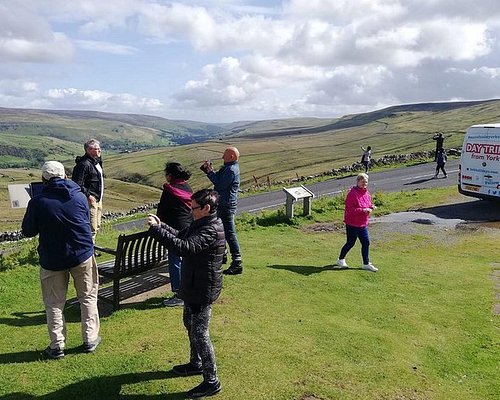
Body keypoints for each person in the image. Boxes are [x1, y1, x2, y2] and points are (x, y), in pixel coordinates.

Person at [147, 189, 225, 398]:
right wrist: (161, 225)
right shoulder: (201, 223)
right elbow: (181, 236)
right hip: (193, 285)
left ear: (206, 208)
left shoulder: (211, 229)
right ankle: (195, 363)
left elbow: (184, 248)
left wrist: (156, 231)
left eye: (194, 208)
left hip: (202, 288)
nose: (190, 211)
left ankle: (212, 381)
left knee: (200, 333)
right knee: (189, 323)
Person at [21, 161, 101, 359]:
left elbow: (28, 230)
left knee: (54, 303)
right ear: (65, 176)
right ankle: (90, 339)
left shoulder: (38, 202)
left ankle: (57, 345)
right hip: (82, 253)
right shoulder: (80, 196)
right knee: (88, 296)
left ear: (43, 180)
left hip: (52, 258)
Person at [201, 146, 243, 275]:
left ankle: (237, 262)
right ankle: (223, 255)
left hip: (226, 205)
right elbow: (218, 179)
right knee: (222, 231)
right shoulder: (228, 168)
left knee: (229, 233)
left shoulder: (230, 170)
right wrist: (210, 170)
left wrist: (209, 172)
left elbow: (219, 185)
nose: (222, 157)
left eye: (224, 155)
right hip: (224, 204)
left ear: (231, 156)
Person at [156, 162, 193, 307]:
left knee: (175, 259)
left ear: (170, 175)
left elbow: (162, 212)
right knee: (186, 259)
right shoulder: (187, 187)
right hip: (188, 227)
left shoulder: (169, 189)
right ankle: (188, 289)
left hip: (174, 229)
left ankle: (179, 294)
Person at [336, 173, 378, 272]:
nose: (364, 184)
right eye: (362, 182)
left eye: (366, 182)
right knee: (353, 242)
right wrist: (363, 210)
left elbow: (367, 204)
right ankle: (342, 259)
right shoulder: (352, 193)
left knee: (363, 242)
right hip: (352, 223)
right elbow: (350, 210)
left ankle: (365, 263)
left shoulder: (366, 193)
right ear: (358, 181)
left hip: (362, 222)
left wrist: (371, 207)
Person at [72, 139, 104, 243]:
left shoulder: (97, 162)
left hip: (98, 199)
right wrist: (88, 196)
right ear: (88, 150)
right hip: (90, 200)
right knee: (91, 228)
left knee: (97, 225)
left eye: (99, 148)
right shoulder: (84, 164)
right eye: (96, 149)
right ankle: (89, 252)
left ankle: (92, 249)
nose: (99, 151)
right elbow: (77, 183)